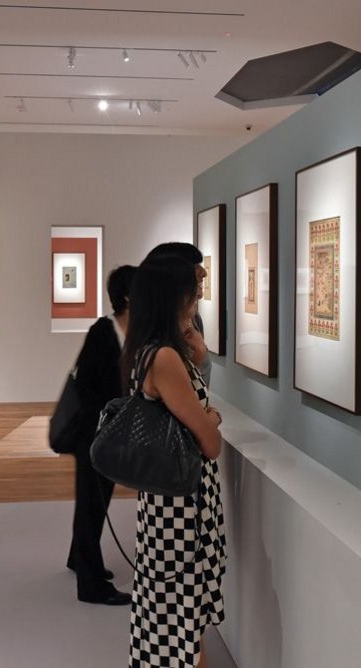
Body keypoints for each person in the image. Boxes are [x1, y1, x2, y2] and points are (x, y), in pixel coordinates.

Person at [122, 255, 225, 668]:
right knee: (177, 609)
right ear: (174, 295)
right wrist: (212, 420)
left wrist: (200, 362)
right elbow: (210, 442)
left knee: (180, 608)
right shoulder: (163, 357)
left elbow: (190, 417)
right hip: (178, 506)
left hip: (178, 499)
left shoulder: (160, 351)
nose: (199, 294)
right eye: (193, 287)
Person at [65, 265, 136, 606]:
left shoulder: (127, 332)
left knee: (96, 498)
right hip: (93, 432)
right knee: (93, 500)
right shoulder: (103, 331)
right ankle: (92, 586)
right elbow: (88, 384)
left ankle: (78, 558)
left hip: (106, 431)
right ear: (127, 296)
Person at [145, 242, 211, 386]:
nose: (199, 295)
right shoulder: (157, 345)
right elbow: (174, 392)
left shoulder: (194, 320)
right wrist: (199, 353)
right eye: (195, 285)